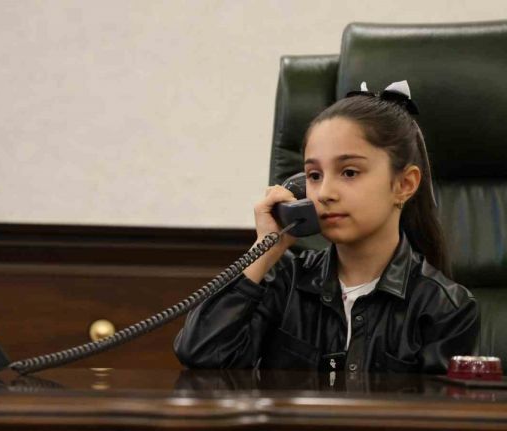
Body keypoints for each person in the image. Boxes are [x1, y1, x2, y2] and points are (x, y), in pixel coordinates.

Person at [174, 80, 479, 373]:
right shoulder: (285, 281)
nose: (324, 193)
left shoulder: (444, 307)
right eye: (314, 175)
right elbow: (200, 352)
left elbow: (436, 406)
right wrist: (265, 249)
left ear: (404, 184)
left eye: (349, 172)